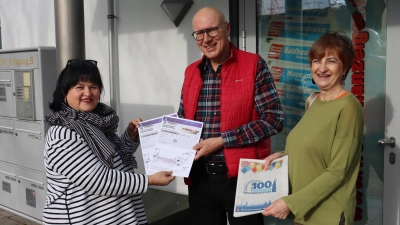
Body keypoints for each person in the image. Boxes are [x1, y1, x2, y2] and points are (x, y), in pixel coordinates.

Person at [177, 7, 284, 225]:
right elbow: (182, 121)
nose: (206, 39)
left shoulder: (254, 65)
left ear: (227, 29)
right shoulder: (191, 71)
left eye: (212, 30)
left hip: (242, 178)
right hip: (199, 179)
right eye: (199, 33)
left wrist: (222, 140)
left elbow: (273, 120)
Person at [43, 59, 175, 225]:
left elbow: (111, 160)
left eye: (93, 87)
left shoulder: (95, 123)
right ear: (64, 92)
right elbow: (98, 179)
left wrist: (129, 136)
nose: (88, 93)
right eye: (79, 87)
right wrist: (149, 180)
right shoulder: (62, 134)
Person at [262, 31, 364, 225]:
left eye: (331, 61)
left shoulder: (349, 107)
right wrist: (283, 155)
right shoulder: (314, 100)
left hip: (326, 215)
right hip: (304, 213)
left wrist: (291, 203)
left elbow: (337, 171)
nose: (322, 68)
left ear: (345, 68)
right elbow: (315, 148)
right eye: (317, 61)